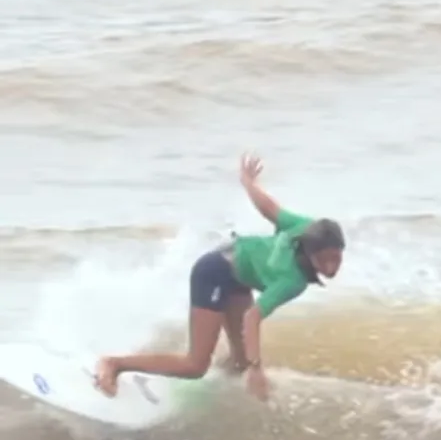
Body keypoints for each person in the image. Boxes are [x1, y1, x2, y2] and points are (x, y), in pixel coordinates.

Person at [95, 153, 345, 402]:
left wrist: (250, 183)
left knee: (239, 361)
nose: (331, 267)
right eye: (324, 260)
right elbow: (252, 318)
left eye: (336, 258)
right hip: (214, 272)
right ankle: (115, 364)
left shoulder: (308, 229)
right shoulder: (293, 280)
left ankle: (186, 385)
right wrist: (257, 369)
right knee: (195, 365)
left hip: (238, 280)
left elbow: (269, 209)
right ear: (310, 252)